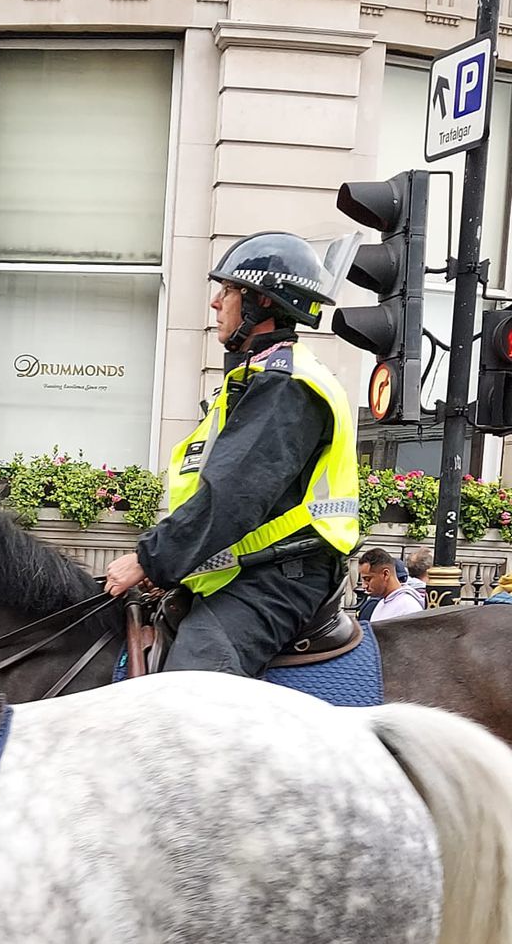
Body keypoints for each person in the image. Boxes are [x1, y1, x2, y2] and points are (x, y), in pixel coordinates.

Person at [104, 233, 360, 676]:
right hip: (246, 571)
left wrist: (150, 558)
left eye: (227, 291)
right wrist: (168, 566)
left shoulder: (286, 385)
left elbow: (231, 498)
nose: (215, 303)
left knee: (188, 694)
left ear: (260, 302)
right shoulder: (257, 378)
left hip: (279, 581)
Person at [357, 547, 424, 622]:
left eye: (368, 579)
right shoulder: (381, 602)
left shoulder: (407, 607)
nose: (364, 586)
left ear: (385, 574)